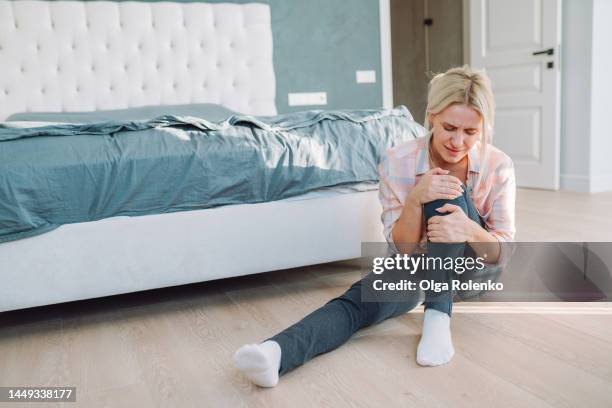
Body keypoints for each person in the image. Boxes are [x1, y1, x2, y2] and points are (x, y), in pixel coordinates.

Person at [233, 65, 516, 387]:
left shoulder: (498, 165)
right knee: (357, 302)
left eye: (471, 132)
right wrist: (414, 201)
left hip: (473, 272)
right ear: (432, 116)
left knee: (446, 189)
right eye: (450, 127)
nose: (458, 141)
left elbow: (501, 254)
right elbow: (403, 250)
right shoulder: (399, 159)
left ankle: (438, 318)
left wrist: (467, 228)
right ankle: (276, 353)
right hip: (418, 267)